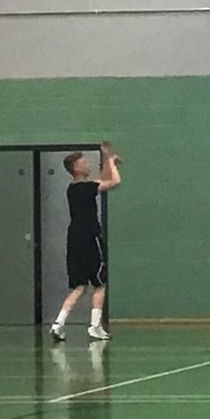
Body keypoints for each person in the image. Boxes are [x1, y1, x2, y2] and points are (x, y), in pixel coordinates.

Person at [49, 143, 121, 342]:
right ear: (76, 168)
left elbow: (101, 180)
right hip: (90, 237)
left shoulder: (72, 189)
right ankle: (95, 326)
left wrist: (106, 159)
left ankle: (58, 324)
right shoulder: (87, 188)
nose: (88, 164)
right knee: (100, 283)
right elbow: (114, 180)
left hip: (74, 238)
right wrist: (113, 162)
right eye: (84, 162)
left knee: (79, 286)